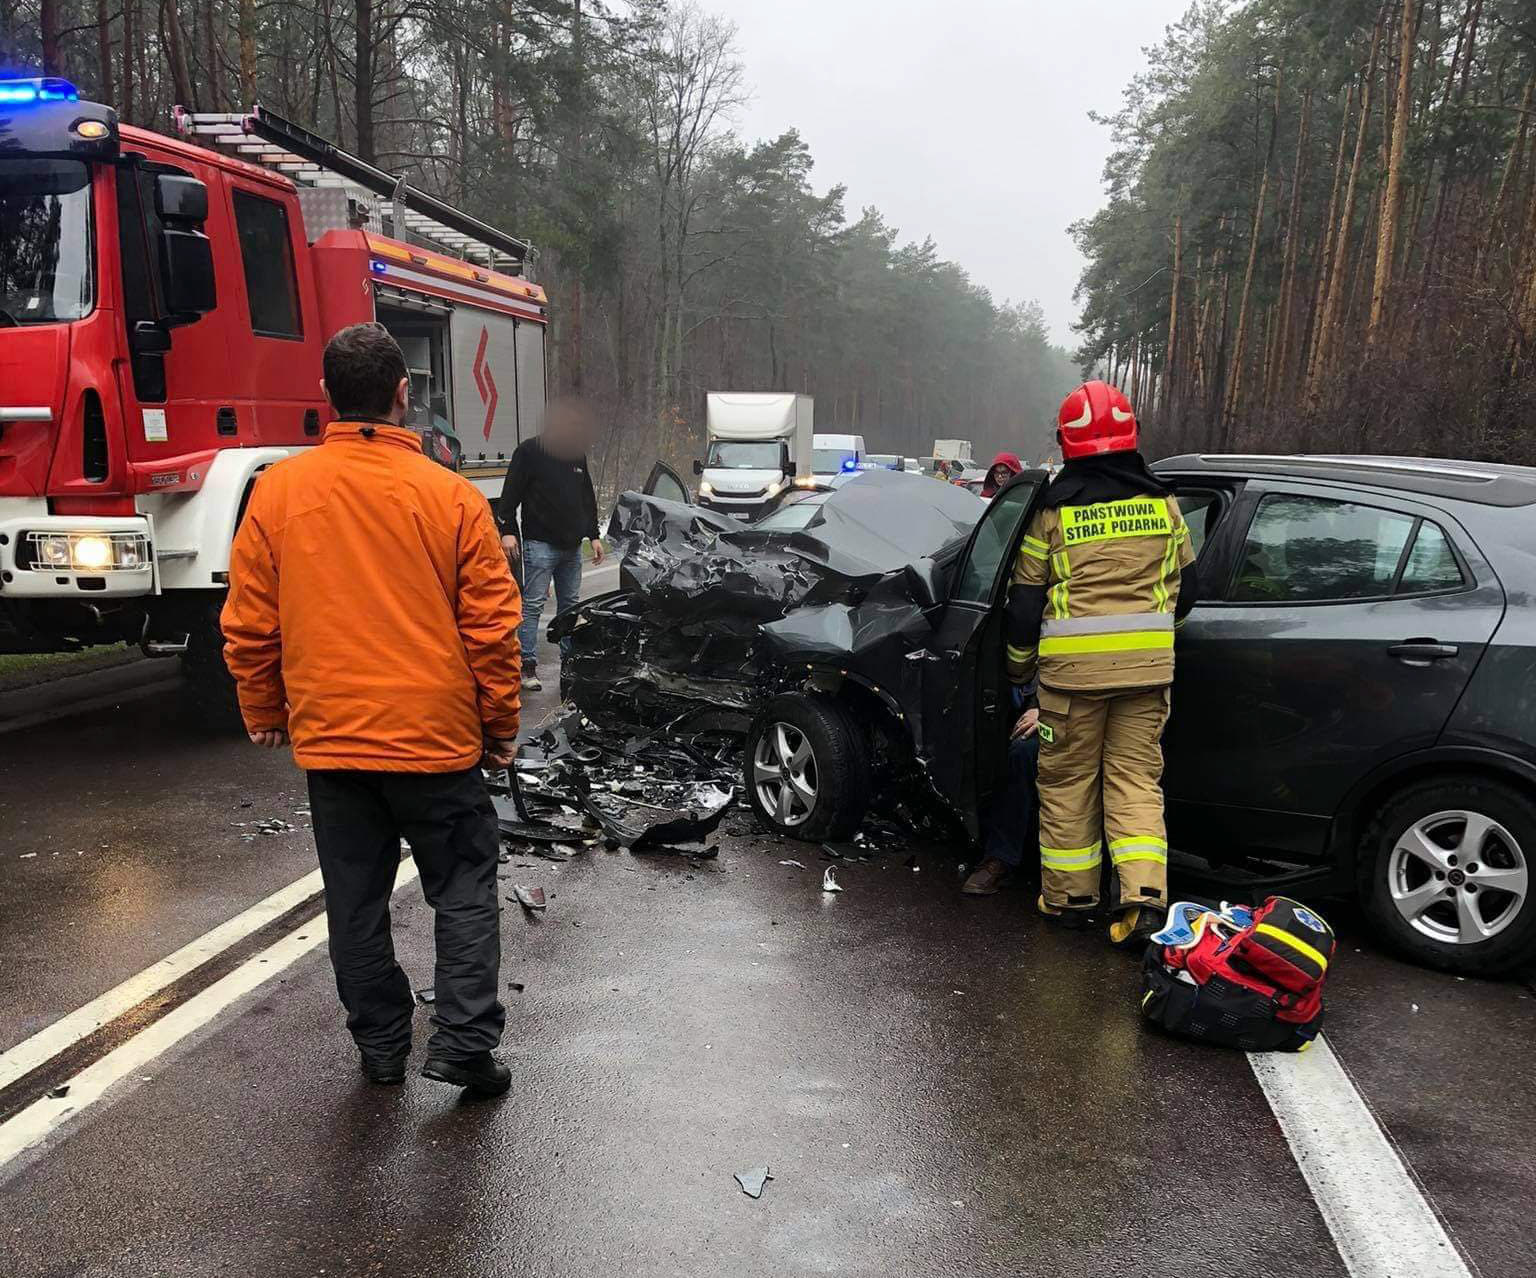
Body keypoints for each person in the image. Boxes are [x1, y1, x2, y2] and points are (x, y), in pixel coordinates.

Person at [222, 322, 523, 1096]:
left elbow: (252, 618)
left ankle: (382, 1047)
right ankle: (461, 1045)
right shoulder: (451, 496)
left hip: (334, 740)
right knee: (461, 889)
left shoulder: (279, 493)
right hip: (435, 740)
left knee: (354, 900)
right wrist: (499, 728)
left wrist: (264, 705)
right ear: (403, 395)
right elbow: (491, 628)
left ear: (326, 395)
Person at [1004, 380, 1198, 947]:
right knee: (1136, 781)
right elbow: (1186, 592)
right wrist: (1158, 640)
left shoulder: (1054, 514)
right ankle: (1142, 899)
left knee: (1067, 783)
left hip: (1070, 684)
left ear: (1067, 443)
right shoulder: (1162, 505)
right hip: (1146, 680)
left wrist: (1020, 672)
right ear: (1131, 435)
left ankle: (1070, 900)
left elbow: (1023, 605)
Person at [495, 398, 604, 693]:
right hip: (540, 544)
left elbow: (586, 499)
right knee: (532, 606)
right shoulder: (530, 452)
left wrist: (593, 535)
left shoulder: (575, 456)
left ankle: (569, 662)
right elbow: (509, 495)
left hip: (571, 548)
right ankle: (527, 664)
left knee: (571, 606)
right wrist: (507, 530)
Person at [962, 699, 1040, 895]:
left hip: (1095, 718)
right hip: (1061, 706)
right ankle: (1000, 856)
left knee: (1023, 752)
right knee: (1018, 750)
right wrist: (1038, 707)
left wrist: (1048, 713)